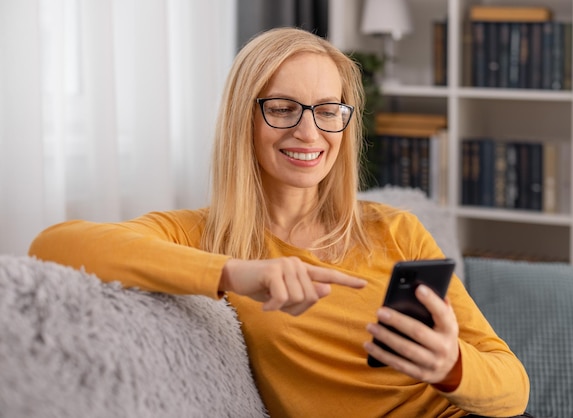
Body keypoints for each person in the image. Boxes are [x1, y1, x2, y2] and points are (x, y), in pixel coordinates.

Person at [29, 27, 530, 417]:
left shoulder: (394, 230)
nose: (309, 132)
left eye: (328, 110)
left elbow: (513, 385)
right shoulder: (202, 237)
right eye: (284, 108)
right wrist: (235, 273)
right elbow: (55, 244)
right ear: (242, 118)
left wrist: (451, 367)